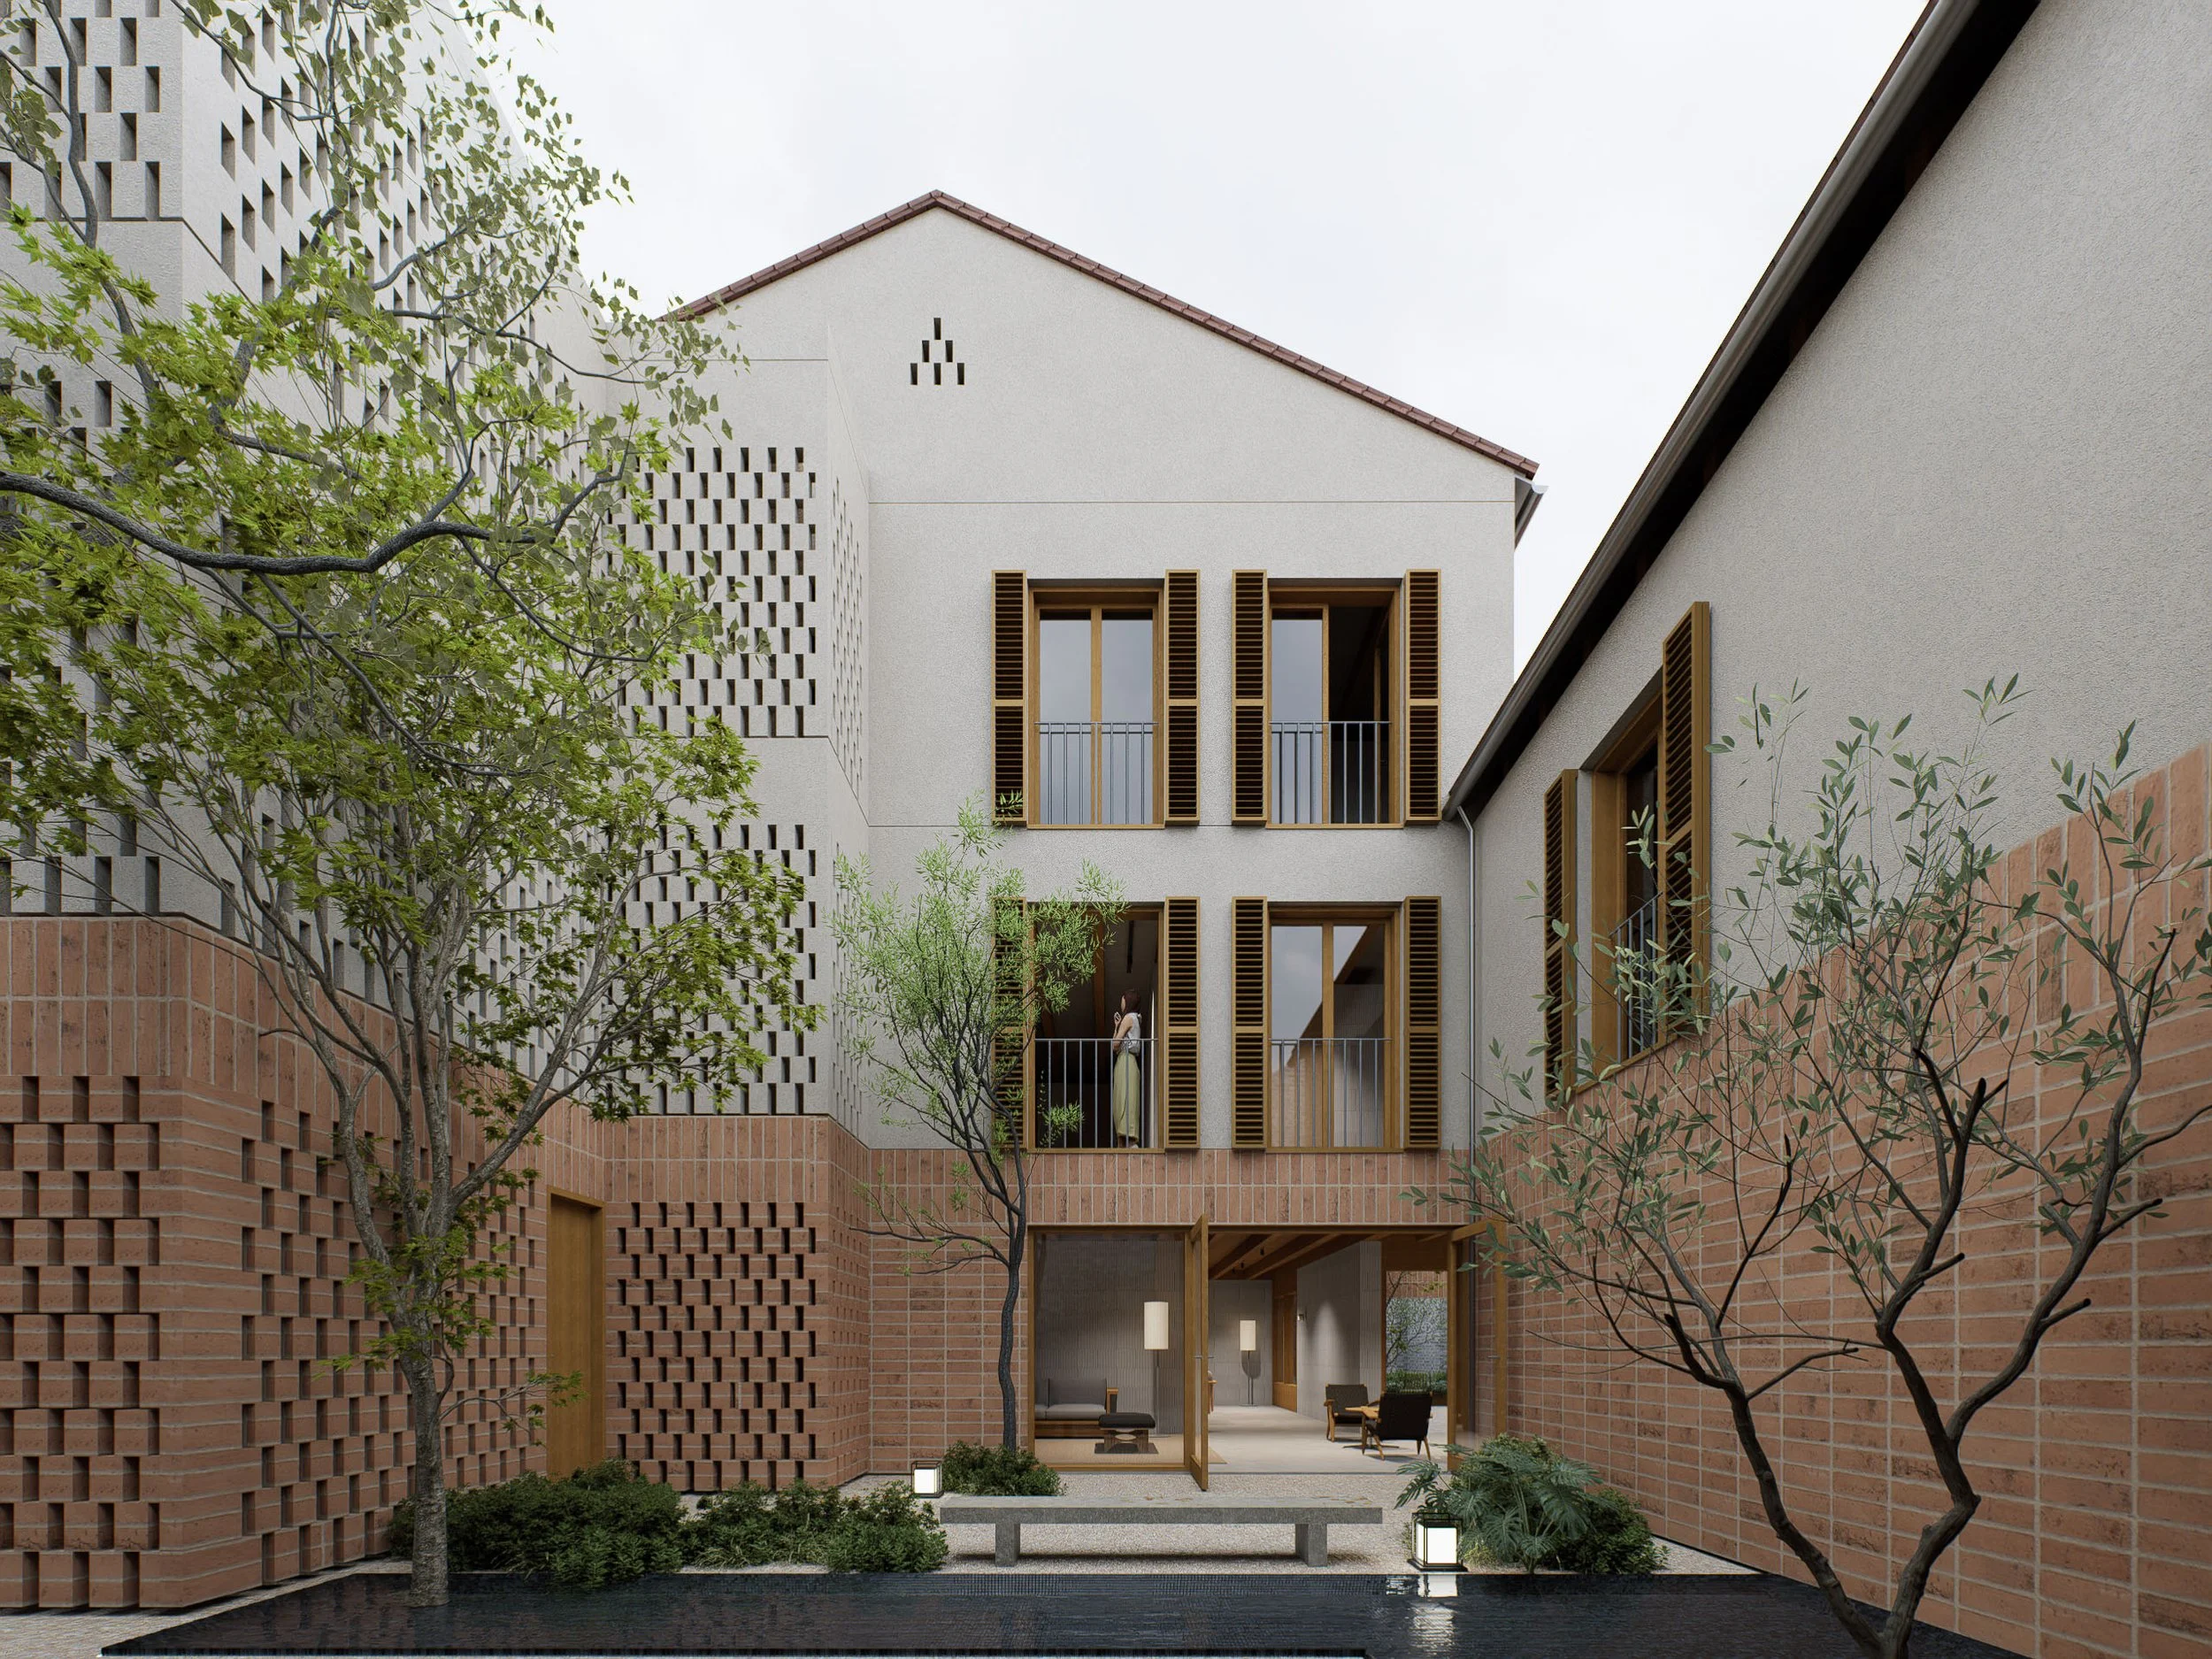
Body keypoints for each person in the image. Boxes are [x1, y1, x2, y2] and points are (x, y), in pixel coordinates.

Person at [1110, 990, 1142, 1146]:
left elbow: (1115, 1045)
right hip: (1130, 1060)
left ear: (1127, 1000)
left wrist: (1118, 1027)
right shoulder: (1135, 1019)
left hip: (1125, 1060)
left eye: (1122, 999)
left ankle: (1125, 1141)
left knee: (1123, 1098)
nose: (1121, 1002)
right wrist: (1117, 1026)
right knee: (1128, 1097)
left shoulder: (1128, 1018)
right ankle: (1127, 1140)